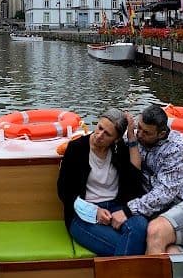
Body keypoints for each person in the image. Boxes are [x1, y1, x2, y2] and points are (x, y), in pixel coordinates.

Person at [114, 105, 183, 254]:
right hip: (169, 214)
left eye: (147, 132)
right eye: (139, 128)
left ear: (162, 133)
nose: (140, 134)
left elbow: (165, 192)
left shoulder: (176, 148)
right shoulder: (137, 139)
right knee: (170, 253)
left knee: (156, 230)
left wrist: (128, 210)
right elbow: (112, 139)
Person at [57, 108, 147, 256]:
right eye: (99, 128)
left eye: (107, 134)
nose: (99, 135)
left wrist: (131, 136)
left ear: (116, 139)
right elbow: (64, 191)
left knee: (140, 225)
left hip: (116, 207)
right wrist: (95, 212)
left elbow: (134, 176)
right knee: (130, 245)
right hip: (83, 214)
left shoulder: (119, 150)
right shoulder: (76, 148)